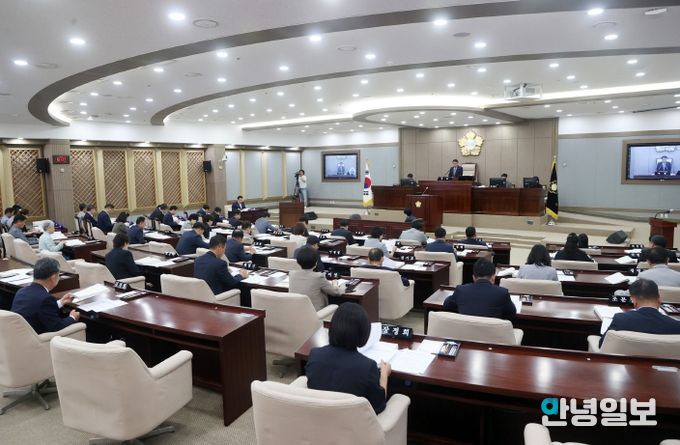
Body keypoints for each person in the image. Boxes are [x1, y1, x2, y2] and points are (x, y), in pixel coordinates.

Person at [305, 302, 390, 414]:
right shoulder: (368, 367)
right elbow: (378, 405)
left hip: (317, 417)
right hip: (353, 422)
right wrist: (384, 375)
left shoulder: (314, 355)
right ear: (364, 333)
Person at [600, 278, 680, 347]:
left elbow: (602, 344)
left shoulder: (620, 319)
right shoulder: (676, 326)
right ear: (659, 299)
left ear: (634, 301)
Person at [11, 258, 80, 334]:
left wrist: (61, 302)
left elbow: (39, 308)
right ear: (53, 277)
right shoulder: (45, 299)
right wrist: (72, 317)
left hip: (19, 335)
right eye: (58, 275)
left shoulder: (21, 291)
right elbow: (57, 326)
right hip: (40, 338)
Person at [444, 258, 516, 321]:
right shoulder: (502, 293)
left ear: (473, 277)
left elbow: (447, 305)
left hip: (465, 331)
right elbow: (512, 314)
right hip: (491, 332)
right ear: (493, 277)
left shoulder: (461, 290)